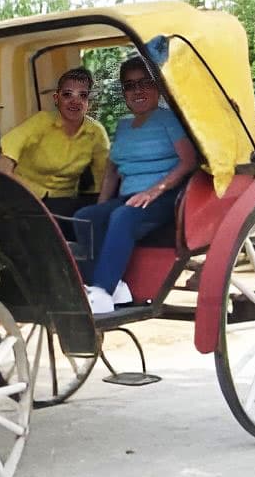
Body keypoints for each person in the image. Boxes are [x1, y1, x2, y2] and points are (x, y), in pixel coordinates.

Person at [72, 56, 198, 315]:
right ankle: (113, 286)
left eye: (144, 83)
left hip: (167, 196)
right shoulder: (123, 126)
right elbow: (112, 171)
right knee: (85, 217)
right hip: (130, 196)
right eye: (129, 86)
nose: (137, 91)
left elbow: (188, 162)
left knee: (123, 215)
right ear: (124, 92)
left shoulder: (168, 119)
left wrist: (155, 190)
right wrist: (101, 206)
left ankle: (102, 291)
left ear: (158, 87)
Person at [0, 67, 110, 218]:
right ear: (56, 98)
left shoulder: (96, 132)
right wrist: (14, 191)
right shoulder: (41, 121)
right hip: (25, 197)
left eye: (83, 95)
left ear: (90, 103)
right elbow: (5, 157)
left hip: (65, 202)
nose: (75, 101)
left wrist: (99, 212)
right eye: (67, 94)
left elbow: (103, 178)